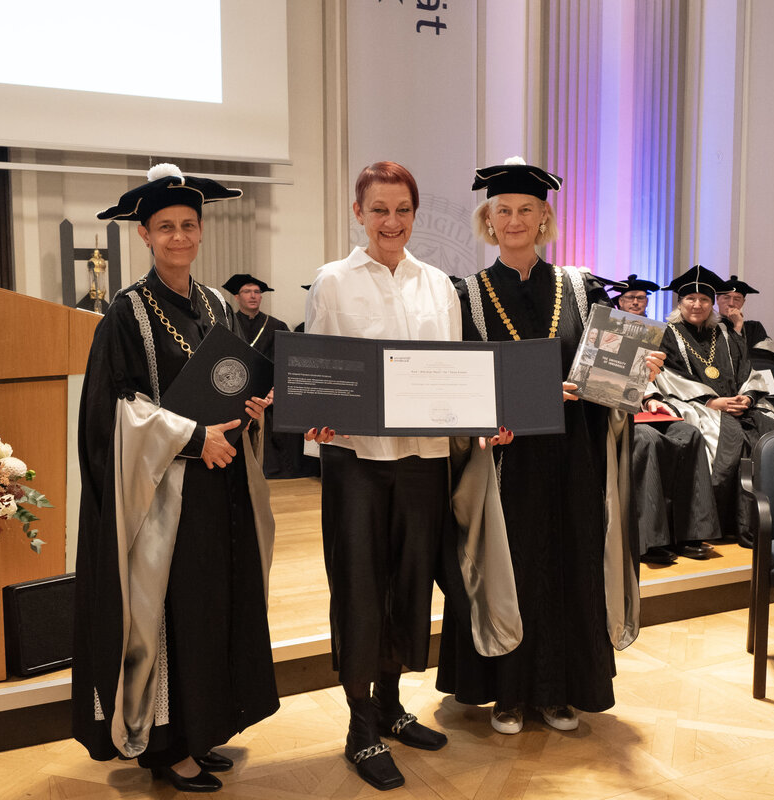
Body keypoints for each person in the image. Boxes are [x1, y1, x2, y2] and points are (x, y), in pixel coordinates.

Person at [72, 164, 279, 793]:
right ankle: (168, 747)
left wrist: (252, 408)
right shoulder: (125, 313)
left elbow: (233, 377)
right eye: (166, 227)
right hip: (164, 497)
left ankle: (204, 727)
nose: (180, 237)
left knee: (214, 606)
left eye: (189, 225)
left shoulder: (218, 303)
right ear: (144, 235)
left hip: (222, 487)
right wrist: (194, 437)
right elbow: (114, 410)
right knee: (172, 612)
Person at [435, 157, 655, 737]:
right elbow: (461, 383)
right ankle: (507, 695)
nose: (514, 220)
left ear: (544, 218)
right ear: (488, 219)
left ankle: (560, 692)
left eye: (526, 210)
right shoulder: (468, 295)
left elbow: (609, 375)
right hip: (507, 460)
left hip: (572, 456)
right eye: (502, 210)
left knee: (569, 565)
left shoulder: (580, 287)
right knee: (514, 569)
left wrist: (638, 369)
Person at [303, 161, 474, 792]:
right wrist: (315, 413)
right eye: (379, 209)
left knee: (409, 587)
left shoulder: (439, 286)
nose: (390, 222)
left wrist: (481, 418)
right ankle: (359, 726)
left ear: (413, 214)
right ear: (358, 213)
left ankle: (393, 706)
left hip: (424, 460)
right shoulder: (333, 281)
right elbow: (317, 368)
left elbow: (455, 372)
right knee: (359, 587)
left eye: (402, 210)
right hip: (357, 462)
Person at [653, 265, 774, 546]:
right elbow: (665, 376)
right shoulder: (665, 334)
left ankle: (768, 521)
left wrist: (746, 397)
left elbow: (747, 370)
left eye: (704, 299)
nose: (697, 304)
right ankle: (724, 524)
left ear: (712, 304)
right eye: (691, 299)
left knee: (770, 431)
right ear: (680, 301)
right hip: (697, 404)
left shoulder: (725, 334)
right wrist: (712, 401)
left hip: (737, 404)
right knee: (729, 439)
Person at [616, 275, 721, 563]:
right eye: (629, 299)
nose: (635, 303)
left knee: (689, 433)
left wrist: (651, 400)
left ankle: (690, 531)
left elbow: (642, 378)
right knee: (647, 440)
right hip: (607, 412)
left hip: (640, 406)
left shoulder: (640, 334)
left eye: (640, 299)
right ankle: (650, 539)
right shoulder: (592, 334)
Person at [221, 273, 313, 478]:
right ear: (237, 297)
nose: (253, 296)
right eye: (247, 292)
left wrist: (275, 390)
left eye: (257, 292)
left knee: (285, 411)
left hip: (272, 391)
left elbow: (286, 362)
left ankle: (283, 468)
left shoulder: (276, 326)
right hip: (236, 388)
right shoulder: (227, 324)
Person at [716, 275, 774, 361]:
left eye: (737, 299)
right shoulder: (708, 327)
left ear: (743, 302)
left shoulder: (754, 328)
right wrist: (737, 326)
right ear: (717, 299)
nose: (731, 303)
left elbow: (765, 359)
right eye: (726, 298)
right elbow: (721, 360)